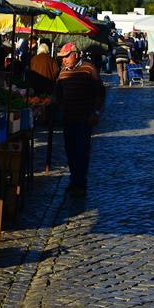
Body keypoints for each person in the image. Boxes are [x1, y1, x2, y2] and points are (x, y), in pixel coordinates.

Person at [54, 43, 105, 196]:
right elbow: (58, 93)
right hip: (68, 118)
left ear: (75, 54)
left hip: (84, 118)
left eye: (66, 56)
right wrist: (59, 105)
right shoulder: (62, 73)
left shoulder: (89, 69)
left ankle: (80, 184)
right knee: (70, 151)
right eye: (62, 58)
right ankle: (74, 180)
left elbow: (100, 92)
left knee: (81, 151)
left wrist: (95, 111)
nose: (63, 60)